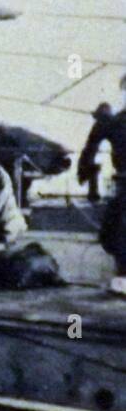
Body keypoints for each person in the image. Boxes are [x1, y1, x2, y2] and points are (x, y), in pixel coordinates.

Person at [78, 93, 126, 295]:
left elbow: (90, 148)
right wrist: (87, 173)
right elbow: (90, 147)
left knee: (118, 229)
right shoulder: (116, 121)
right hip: (124, 181)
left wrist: (86, 172)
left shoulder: (114, 121)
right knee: (115, 230)